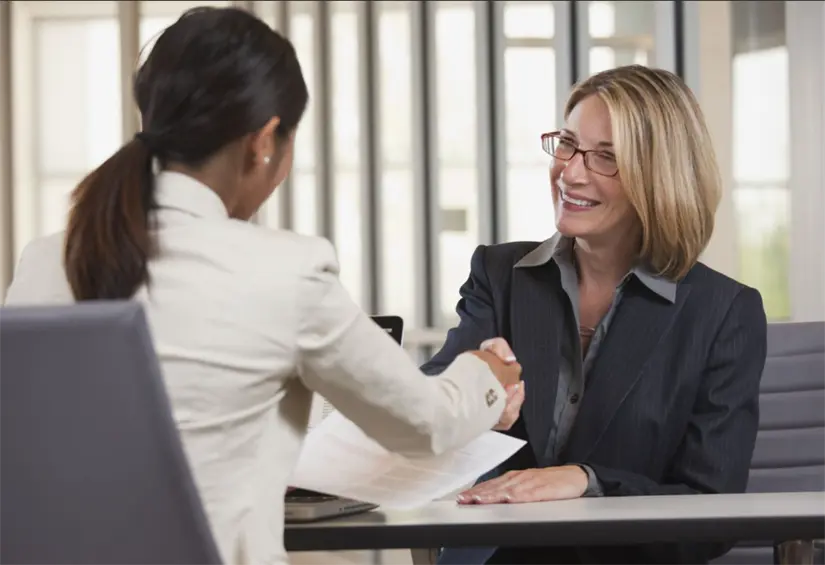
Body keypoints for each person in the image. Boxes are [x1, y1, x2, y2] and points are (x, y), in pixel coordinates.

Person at [2, 7, 526, 565]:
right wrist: (485, 375)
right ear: (264, 142)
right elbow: (426, 425)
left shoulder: (47, 258)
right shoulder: (286, 270)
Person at [424, 64, 768, 565]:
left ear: (659, 177)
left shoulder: (723, 313)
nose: (570, 171)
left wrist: (588, 482)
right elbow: (422, 409)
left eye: (606, 157)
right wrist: (470, 396)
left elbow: (711, 508)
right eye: (567, 144)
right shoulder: (500, 275)